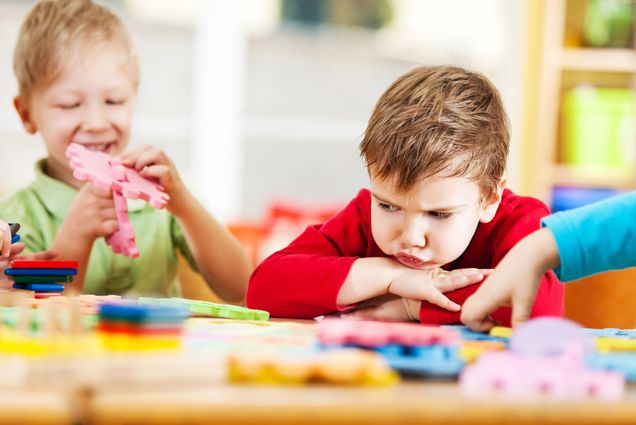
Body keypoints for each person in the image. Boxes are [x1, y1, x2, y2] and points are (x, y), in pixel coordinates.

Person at [247, 65, 564, 324]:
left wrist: (412, 305)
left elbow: (535, 307)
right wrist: (391, 276)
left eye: (439, 214)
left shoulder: (521, 220)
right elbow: (264, 287)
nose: (411, 237)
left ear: (489, 199)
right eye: (388, 205)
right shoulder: (362, 216)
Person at [3, 0, 251, 300]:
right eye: (70, 104)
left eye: (114, 101)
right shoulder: (16, 220)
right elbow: (33, 318)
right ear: (27, 114)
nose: (97, 123)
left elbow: (243, 286)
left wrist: (183, 204)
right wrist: (75, 236)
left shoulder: (160, 198)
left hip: (161, 347)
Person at [461, 191, 636, 330]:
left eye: (440, 214)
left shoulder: (520, 215)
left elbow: (533, 316)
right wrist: (540, 248)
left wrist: (540, 248)